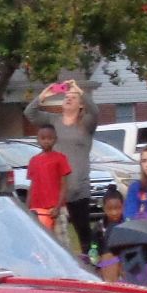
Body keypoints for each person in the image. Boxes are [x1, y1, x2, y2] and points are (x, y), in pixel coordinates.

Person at [23, 82, 100, 257]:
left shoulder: (86, 124)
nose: (69, 98)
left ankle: (91, 265)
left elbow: (95, 111)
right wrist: (44, 95)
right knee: (56, 236)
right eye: (66, 96)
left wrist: (79, 89)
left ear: (81, 104)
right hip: (56, 192)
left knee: (83, 232)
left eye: (73, 97)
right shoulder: (52, 121)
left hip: (78, 188)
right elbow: (29, 113)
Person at [24, 123, 73, 233]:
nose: (46, 141)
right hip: (37, 209)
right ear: (38, 139)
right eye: (43, 138)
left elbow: (64, 185)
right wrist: (27, 207)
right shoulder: (33, 160)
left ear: (55, 139)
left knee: (60, 240)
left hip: (55, 208)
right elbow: (32, 186)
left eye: (50, 138)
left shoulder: (60, 158)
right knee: (41, 239)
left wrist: (58, 207)